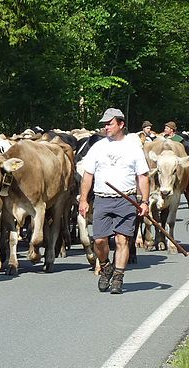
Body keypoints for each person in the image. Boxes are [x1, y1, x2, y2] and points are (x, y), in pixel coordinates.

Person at [78, 107, 149, 294]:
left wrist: (145, 202)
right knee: (99, 241)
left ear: (121, 124)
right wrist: (83, 200)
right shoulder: (97, 147)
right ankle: (105, 266)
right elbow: (88, 175)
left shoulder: (133, 148)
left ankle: (118, 276)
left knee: (122, 240)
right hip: (102, 198)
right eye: (104, 124)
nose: (106, 127)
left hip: (126, 198)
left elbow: (143, 176)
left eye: (109, 124)